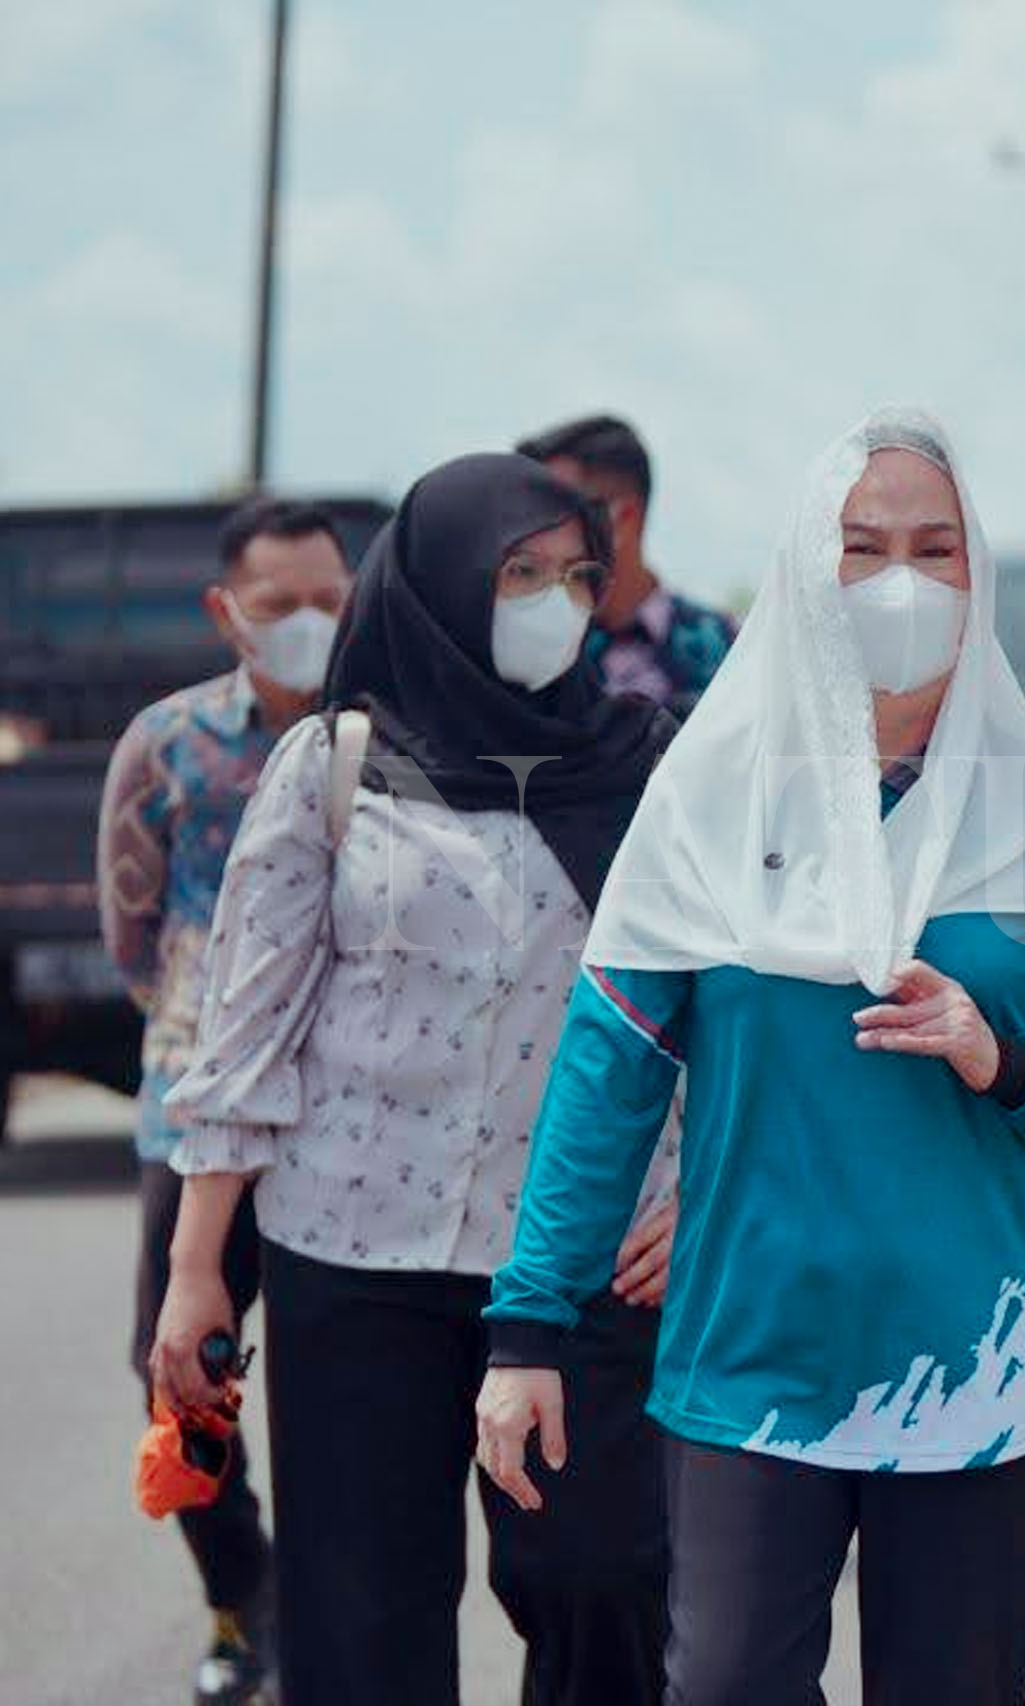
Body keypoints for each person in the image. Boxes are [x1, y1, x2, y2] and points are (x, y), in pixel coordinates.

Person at [475, 408, 1025, 1706]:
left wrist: (1010, 1059)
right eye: (861, 548)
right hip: (751, 1365)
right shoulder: (709, 802)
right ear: (808, 571)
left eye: (936, 547)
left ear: (982, 580)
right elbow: (607, 1080)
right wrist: (528, 1328)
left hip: (982, 1369)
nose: (900, 582)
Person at [148, 453, 679, 1706]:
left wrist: (699, 1179)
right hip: (352, 1256)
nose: (550, 600)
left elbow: (722, 1008)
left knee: (603, 1585)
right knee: (360, 1616)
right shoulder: (333, 768)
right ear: (439, 584)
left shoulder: (649, 770)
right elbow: (247, 1037)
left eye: (572, 576)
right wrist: (193, 1273)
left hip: (583, 1256)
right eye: (518, 573)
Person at [97, 495, 352, 1706]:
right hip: (194, 1115)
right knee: (179, 1374)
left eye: (329, 601)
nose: (309, 624)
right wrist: (212, 1045)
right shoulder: (168, 745)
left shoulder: (391, 740)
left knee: (339, 1395)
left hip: (354, 1127)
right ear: (225, 611)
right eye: (280, 605)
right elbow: (132, 936)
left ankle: (314, 1623)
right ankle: (239, 1595)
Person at [517, 412, 737, 716]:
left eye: (552, 510)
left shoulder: (730, 649)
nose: (527, 531)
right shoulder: (524, 649)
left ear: (623, 518)